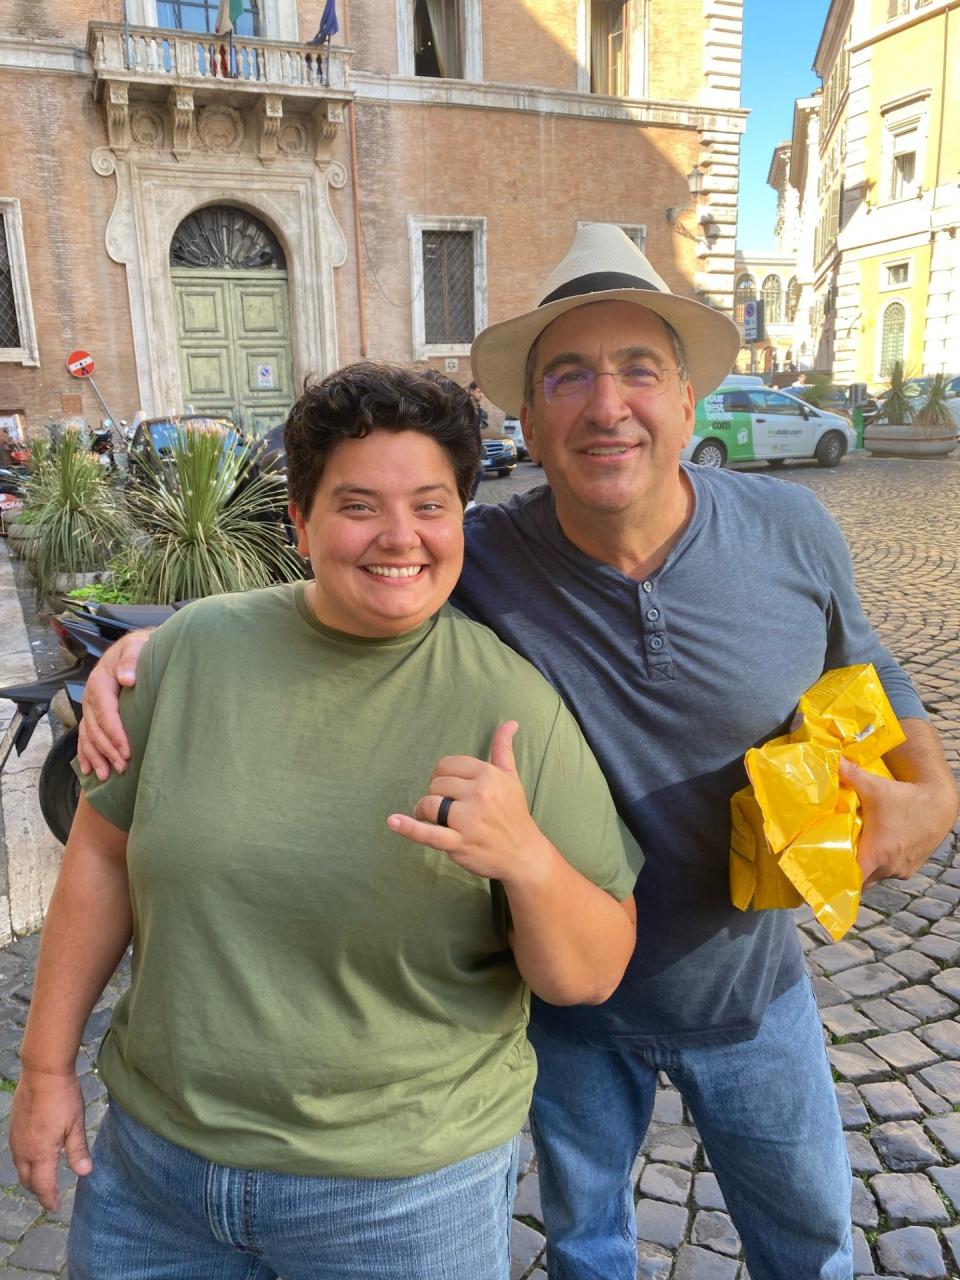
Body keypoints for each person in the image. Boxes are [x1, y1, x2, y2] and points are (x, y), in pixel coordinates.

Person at [76, 227, 959, 1280]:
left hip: (751, 984)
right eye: (568, 377)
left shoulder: (792, 528)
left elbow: (863, 670)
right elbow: (345, 574)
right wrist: (151, 646)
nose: (607, 403)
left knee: (810, 1242)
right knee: (588, 1249)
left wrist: (935, 793)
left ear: (687, 399)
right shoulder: (477, 551)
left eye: (639, 370)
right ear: (531, 424)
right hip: (568, 1007)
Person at [11, 362, 639, 1280]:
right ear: (300, 521)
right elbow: (103, 855)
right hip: (158, 1175)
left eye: (430, 505)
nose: (400, 538)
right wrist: (45, 1069)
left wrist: (528, 862)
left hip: (403, 1201)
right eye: (357, 506)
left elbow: (591, 973)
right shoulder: (190, 653)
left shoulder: (513, 706)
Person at [467, 381, 488, 503]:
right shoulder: (467, 407)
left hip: (475, 447)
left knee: (477, 473)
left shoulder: (477, 408)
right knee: (477, 472)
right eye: (479, 392)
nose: (481, 395)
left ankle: (469, 501)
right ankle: (468, 502)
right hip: (468, 448)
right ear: (471, 391)